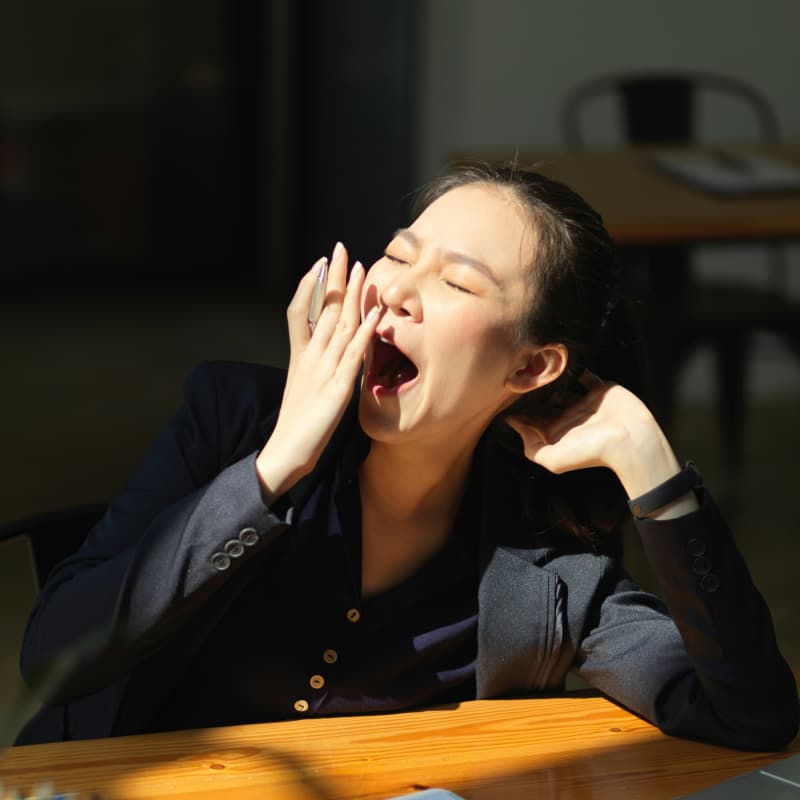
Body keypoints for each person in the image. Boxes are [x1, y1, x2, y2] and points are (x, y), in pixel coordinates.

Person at [16, 164, 798, 749]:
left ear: (530, 368)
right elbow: (56, 657)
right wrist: (273, 468)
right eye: (398, 254)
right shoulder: (233, 418)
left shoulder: (551, 561)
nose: (396, 291)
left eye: (457, 282)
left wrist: (653, 471)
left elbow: (749, 714)